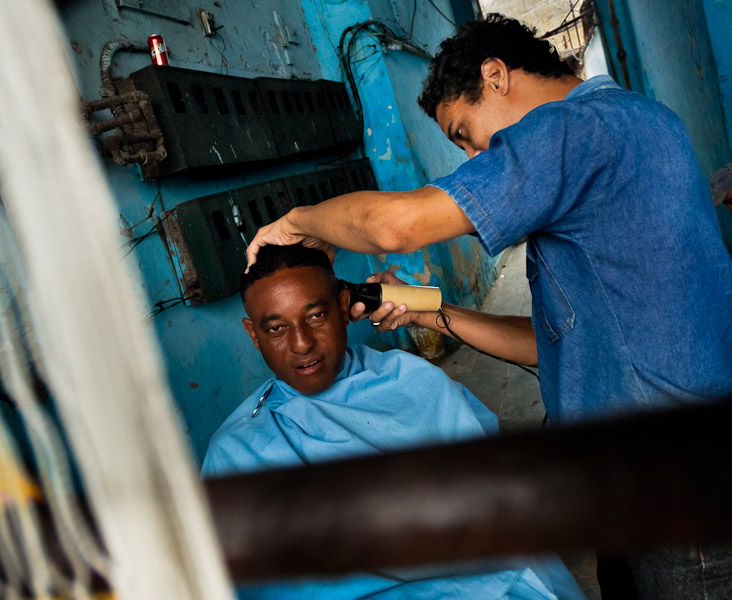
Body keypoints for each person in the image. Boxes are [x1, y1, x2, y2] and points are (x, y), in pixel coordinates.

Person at [242, 14, 732, 600]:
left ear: (496, 76)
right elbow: (561, 344)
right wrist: (432, 313)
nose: (474, 157)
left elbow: (398, 227)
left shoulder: (575, 130)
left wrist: (296, 223)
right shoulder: (640, 123)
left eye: (464, 133)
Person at [202, 243, 585, 600]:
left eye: (316, 315)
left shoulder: (411, 380)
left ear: (343, 307)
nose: (301, 343)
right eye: (276, 328)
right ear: (254, 335)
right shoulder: (237, 450)